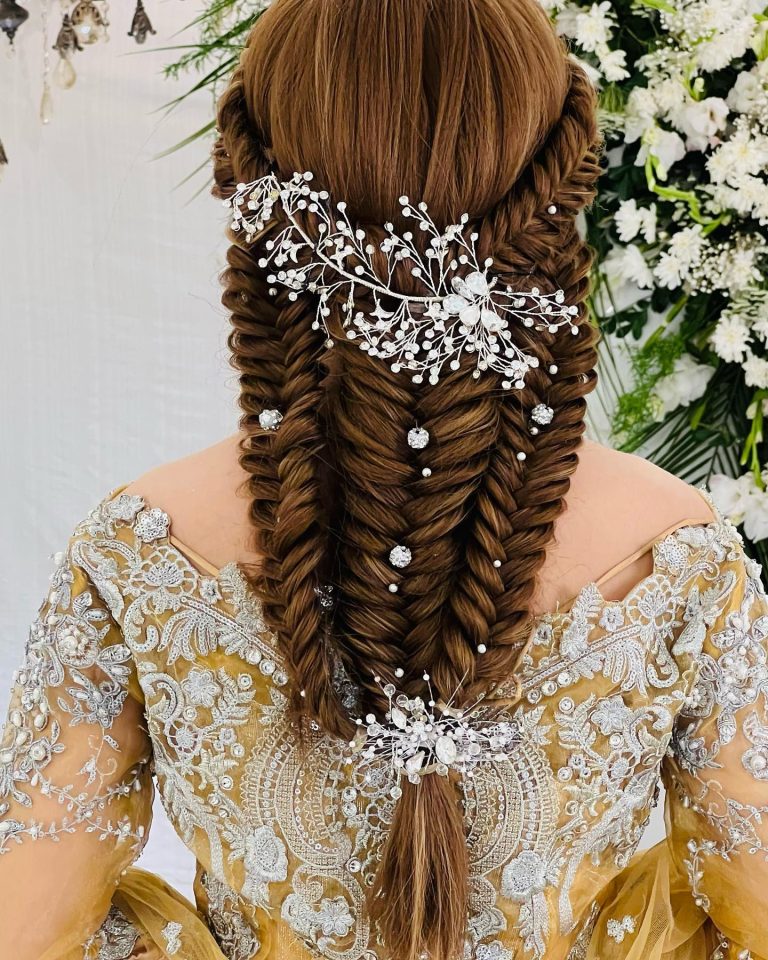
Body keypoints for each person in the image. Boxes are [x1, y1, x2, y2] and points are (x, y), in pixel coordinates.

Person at [1, 1, 767, 958]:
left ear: (259, 199)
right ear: (553, 196)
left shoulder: (138, 549)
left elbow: (24, 924)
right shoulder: (677, 554)